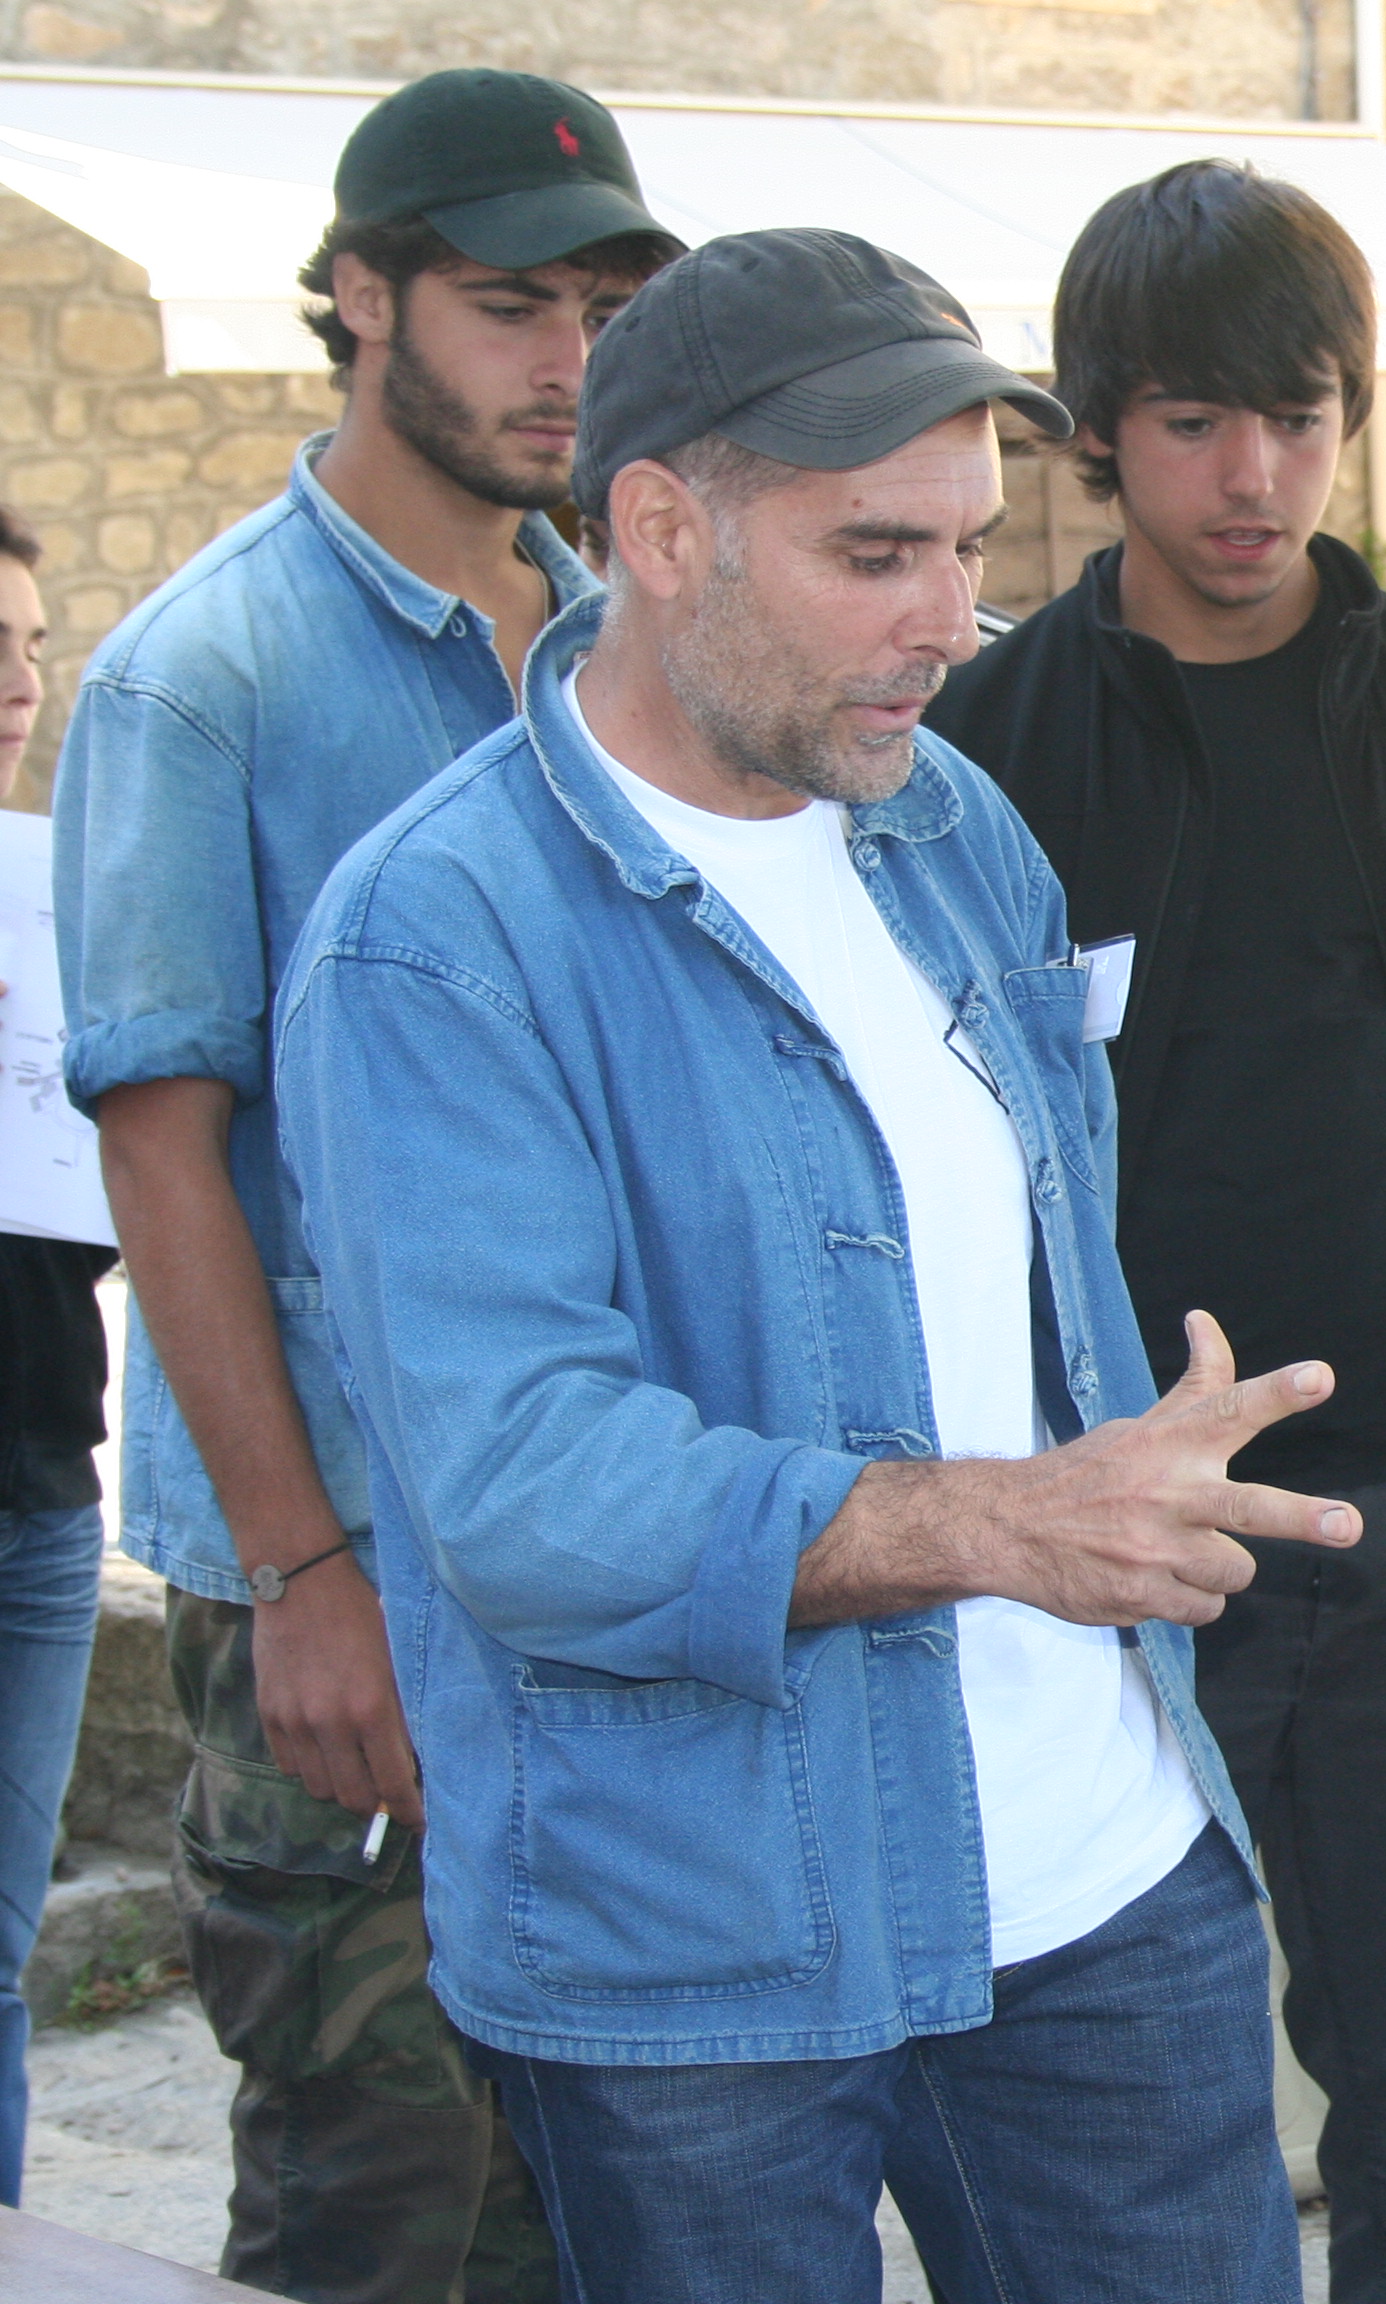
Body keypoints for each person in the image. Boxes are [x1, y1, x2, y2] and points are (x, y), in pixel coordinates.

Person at [270, 226, 1358, 2301]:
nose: (957, 618)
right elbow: (521, 1485)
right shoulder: (437, 937)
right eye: (880, 554)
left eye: (969, 542)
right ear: (664, 528)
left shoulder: (953, 824)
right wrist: (1007, 1526)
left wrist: (1101, 1508)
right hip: (706, 1952)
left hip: (1112, 1888)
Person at [924, 162, 1386, 2304]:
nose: (1257, 479)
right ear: (1092, 437)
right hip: (1110, 1553)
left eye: (1306, 417)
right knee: (1116, 2164)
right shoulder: (982, 752)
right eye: (1194, 421)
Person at [48, 71, 674, 2300]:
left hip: (616, 1544)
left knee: (609, 2202)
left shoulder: (629, 641)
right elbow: (164, 1148)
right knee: (376, 2205)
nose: (571, 362)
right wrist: (302, 1572)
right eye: (513, 303)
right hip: (358, 1575)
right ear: (354, 295)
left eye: (606, 307)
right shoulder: (203, 676)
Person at [0, 501, 119, 2209]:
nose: (15, 685)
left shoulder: (43, 893)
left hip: (37, 1500)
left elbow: (92, 1228)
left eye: (27, 647)